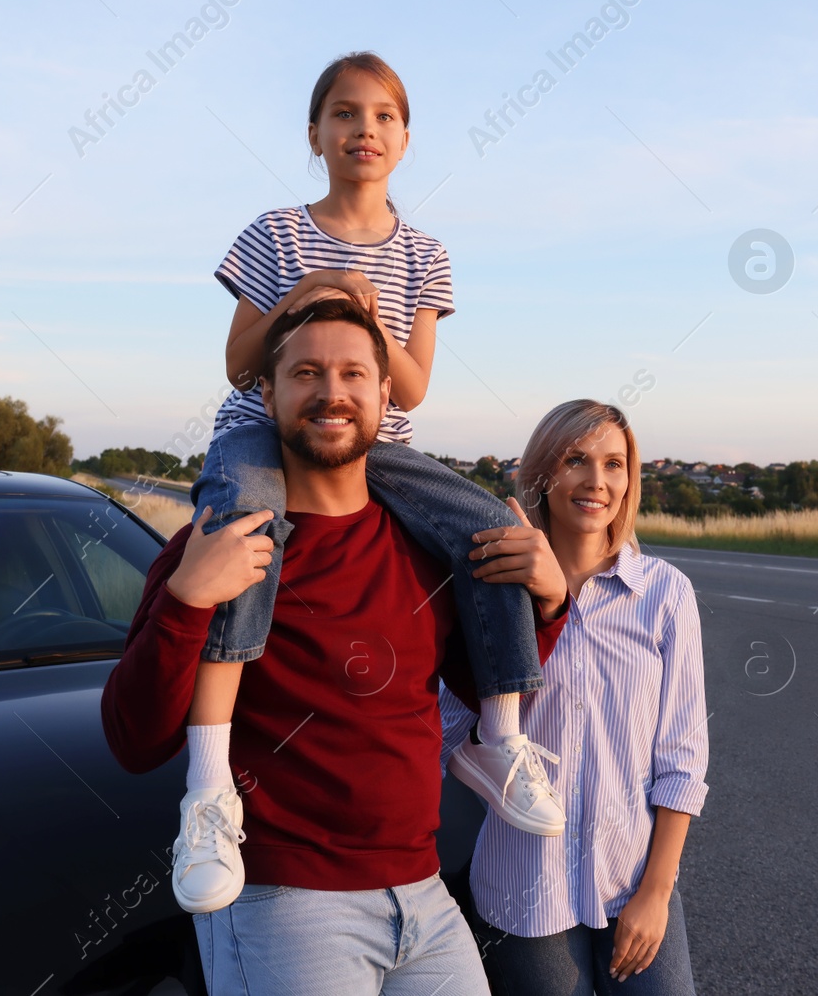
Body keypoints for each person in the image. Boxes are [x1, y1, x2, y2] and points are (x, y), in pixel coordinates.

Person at [177, 52, 564, 915]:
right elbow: (241, 365)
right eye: (345, 114)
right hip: (265, 428)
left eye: (384, 116)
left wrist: (365, 313)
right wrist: (306, 295)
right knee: (243, 533)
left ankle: (499, 735)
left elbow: (414, 386)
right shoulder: (275, 233)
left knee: (481, 526)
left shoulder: (423, 254)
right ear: (315, 135)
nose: (364, 130)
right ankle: (208, 788)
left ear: (406, 139)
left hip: (373, 439)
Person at [101, 300, 572, 995]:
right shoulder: (215, 543)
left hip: (423, 895)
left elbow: (485, 689)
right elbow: (133, 739)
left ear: (385, 394)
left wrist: (554, 601)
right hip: (286, 904)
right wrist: (186, 599)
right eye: (307, 372)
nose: (332, 391)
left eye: (354, 373)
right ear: (268, 392)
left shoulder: (424, 545)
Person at [441, 401, 709, 996]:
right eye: (576, 460)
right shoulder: (492, 591)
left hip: (634, 882)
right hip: (523, 890)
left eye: (615, 464)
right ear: (542, 474)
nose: (597, 481)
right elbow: (449, 737)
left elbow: (682, 762)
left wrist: (656, 894)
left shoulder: (665, 594)